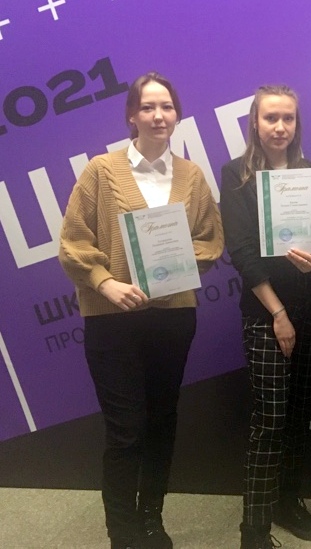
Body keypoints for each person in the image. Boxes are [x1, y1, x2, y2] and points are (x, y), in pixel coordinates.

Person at [58, 72, 224, 549]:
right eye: (148, 107)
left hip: (173, 319)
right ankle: (122, 532)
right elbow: (72, 242)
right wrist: (105, 283)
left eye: (167, 107)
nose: (158, 115)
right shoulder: (101, 171)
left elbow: (211, 240)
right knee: (125, 431)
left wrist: (179, 264)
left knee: (161, 421)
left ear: (177, 114)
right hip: (113, 321)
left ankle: (151, 518)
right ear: (132, 115)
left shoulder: (191, 176)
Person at [220, 85, 311, 549]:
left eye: (288, 119)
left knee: (297, 413)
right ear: (254, 123)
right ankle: (253, 529)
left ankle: (288, 502)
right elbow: (240, 252)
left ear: (297, 124)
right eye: (271, 118)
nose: (280, 127)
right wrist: (277, 312)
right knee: (270, 418)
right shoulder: (236, 176)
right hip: (266, 314)